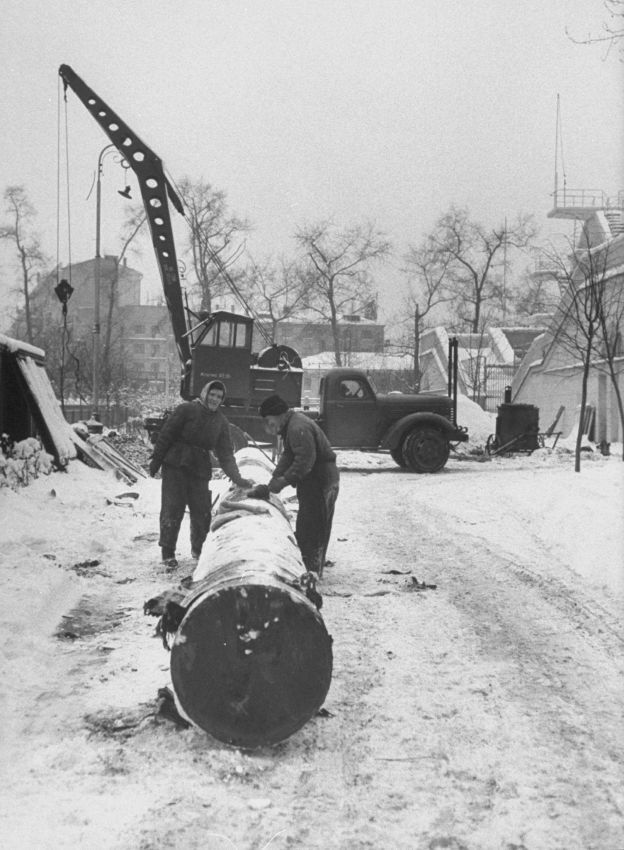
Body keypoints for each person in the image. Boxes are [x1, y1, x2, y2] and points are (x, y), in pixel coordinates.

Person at [148, 380, 252, 568]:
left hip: (200, 467)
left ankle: (198, 550)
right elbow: (167, 434)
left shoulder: (221, 421)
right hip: (176, 464)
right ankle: (168, 553)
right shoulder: (186, 410)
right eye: (212, 394)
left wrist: (237, 478)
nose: (214, 399)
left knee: (201, 511)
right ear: (205, 393)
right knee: (173, 508)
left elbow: (226, 453)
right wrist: (155, 461)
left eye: (219, 397)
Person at [254, 394, 340, 576]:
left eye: (269, 421)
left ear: (278, 414)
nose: (270, 426)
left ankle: (311, 572)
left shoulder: (297, 427)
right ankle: (312, 567)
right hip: (317, 478)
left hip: (319, 479)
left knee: (311, 528)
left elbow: (305, 461)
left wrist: (283, 481)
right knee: (313, 525)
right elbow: (289, 456)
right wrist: (274, 480)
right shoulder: (292, 425)